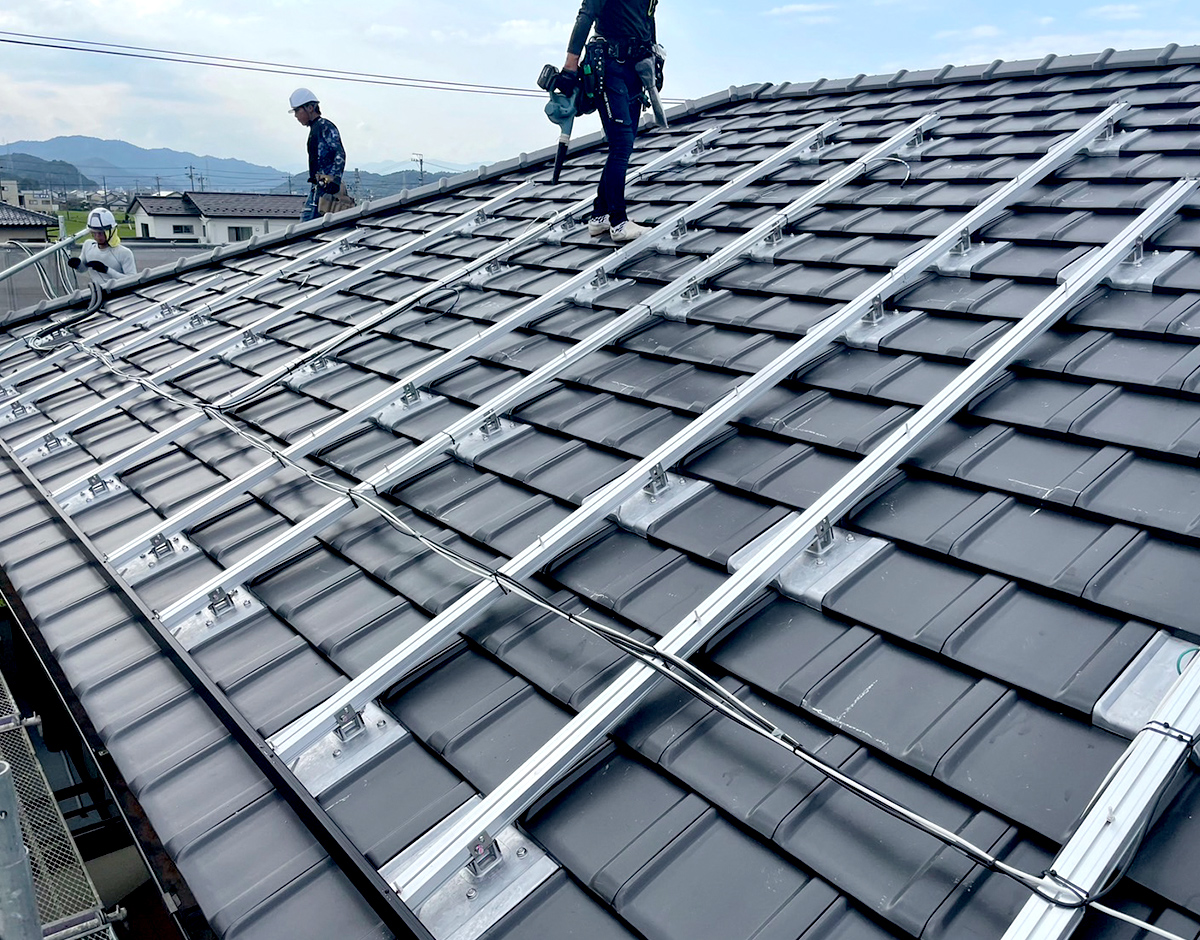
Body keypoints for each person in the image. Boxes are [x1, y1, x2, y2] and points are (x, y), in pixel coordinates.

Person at [556, 0, 659, 243]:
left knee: (625, 143)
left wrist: (654, 61)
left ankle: (599, 215)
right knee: (621, 143)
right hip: (609, 66)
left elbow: (648, 19)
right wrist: (570, 67)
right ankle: (619, 222)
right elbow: (586, 14)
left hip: (635, 67)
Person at [289, 87, 346, 222]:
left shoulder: (325, 126)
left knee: (308, 226)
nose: (296, 116)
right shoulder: (316, 128)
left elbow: (340, 153)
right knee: (312, 225)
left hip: (326, 188)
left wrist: (335, 179)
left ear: (310, 108)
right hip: (319, 187)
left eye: (297, 110)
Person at [67, 208, 137, 285]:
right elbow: (83, 269)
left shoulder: (124, 253)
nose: (97, 236)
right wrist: (77, 265)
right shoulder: (88, 245)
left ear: (111, 231)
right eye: (94, 233)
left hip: (119, 291)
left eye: (101, 233)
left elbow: (133, 280)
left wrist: (107, 270)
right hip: (96, 291)